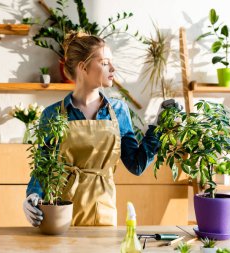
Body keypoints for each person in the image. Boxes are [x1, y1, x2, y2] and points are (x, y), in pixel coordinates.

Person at [23, 31, 181, 226]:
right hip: (59, 210)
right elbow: (43, 166)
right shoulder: (53, 114)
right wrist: (31, 195)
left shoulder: (118, 110)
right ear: (83, 67)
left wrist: (159, 125)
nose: (113, 68)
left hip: (104, 211)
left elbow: (136, 164)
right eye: (105, 63)